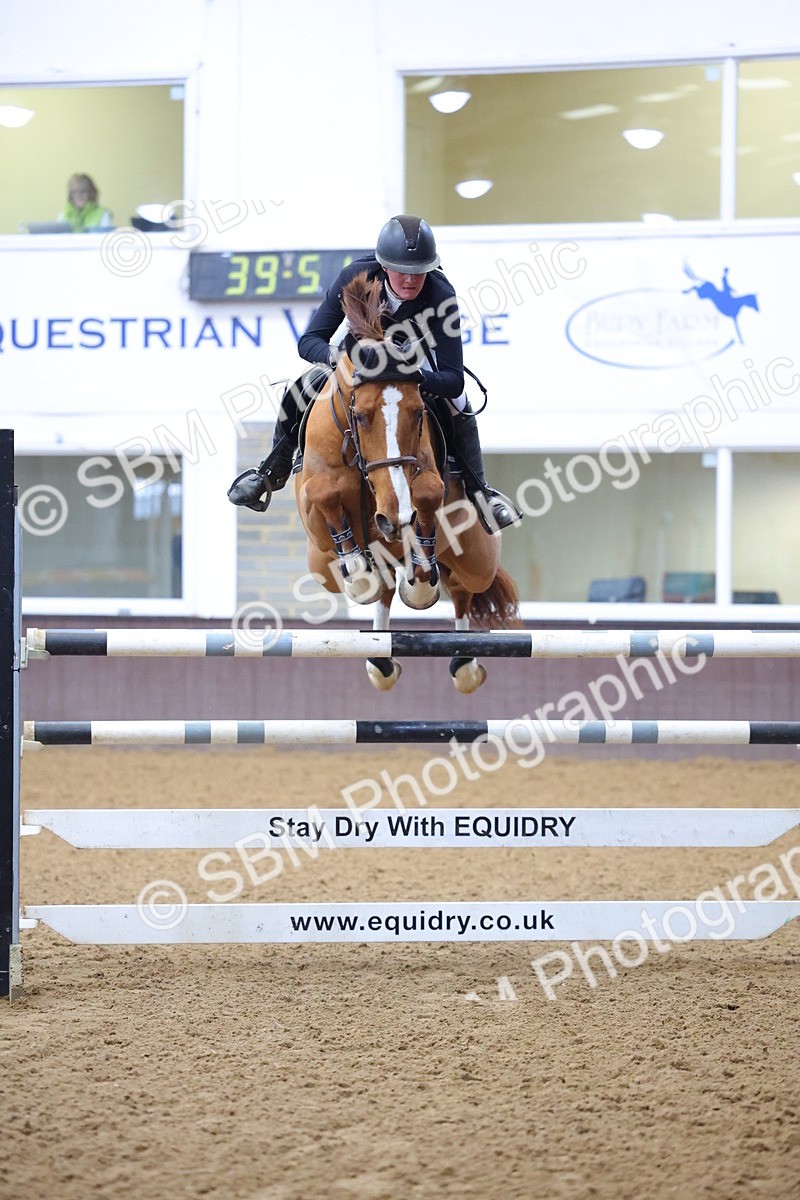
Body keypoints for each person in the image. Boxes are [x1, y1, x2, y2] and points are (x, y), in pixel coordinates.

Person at [228, 214, 521, 530]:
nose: (410, 279)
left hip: (413, 365)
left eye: (419, 272)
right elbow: (309, 341)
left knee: (460, 402)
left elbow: (453, 379)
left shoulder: (440, 294)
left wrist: (416, 377)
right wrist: (340, 360)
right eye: (402, 272)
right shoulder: (356, 276)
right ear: (384, 266)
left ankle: (482, 493)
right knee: (302, 387)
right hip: (358, 363)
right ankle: (271, 472)